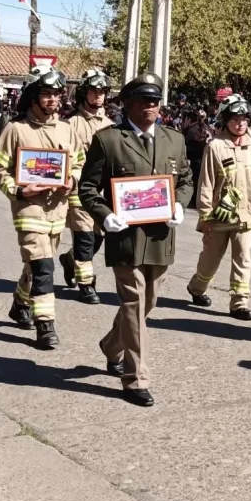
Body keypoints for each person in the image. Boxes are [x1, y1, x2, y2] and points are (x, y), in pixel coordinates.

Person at [79, 72, 193, 407]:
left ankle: (111, 346)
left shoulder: (175, 140)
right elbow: (87, 188)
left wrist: (179, 204)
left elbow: (184, 179)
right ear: (127, 103)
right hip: (125, 238)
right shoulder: (109, 140)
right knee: (133, 302)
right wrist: (104, 215)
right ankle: (136, 378)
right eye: (144, 100)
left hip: (159, 237)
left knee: (149, 303)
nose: (151, 106)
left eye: (155, 101)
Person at [0, 70, 84, 350]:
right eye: (46, 94)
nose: (53, 99)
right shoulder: (16, 129)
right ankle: (46, 325)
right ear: (33, 97)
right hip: (28, 208)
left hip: (58, 209)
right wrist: (18, 190)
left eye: (57, 94)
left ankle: (20, 303)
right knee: (44, 265)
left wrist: (73, 180)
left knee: (36, 263)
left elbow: (78, 161)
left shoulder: (67, 129)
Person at [186, 95, 251, 321]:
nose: (240, 123)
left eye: (244, 119)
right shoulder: (216, 146)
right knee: (211, 258)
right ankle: (197, 287)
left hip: (246, 215)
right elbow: (206, 183)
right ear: (226, 120)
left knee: (243, 257)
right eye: (235, 119)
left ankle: (239, 303)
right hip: (219, 216)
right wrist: (206, 216)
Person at [58, 68, 114, 303]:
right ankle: (86, 283)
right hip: (79, 187)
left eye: (102, 91)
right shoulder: (71, 124)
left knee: (98, 236)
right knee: (84, 236)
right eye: (94, 91)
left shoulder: (111, 125)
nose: (98, 95)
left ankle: (70, 260)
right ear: (84, 93)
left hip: (103, 192)